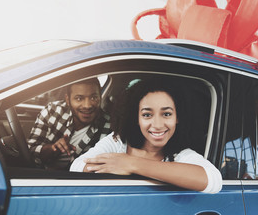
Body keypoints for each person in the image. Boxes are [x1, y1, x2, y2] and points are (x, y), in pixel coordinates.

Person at [70, 78, 222, 193]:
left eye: (166, 114)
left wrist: (132, 164)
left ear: (177, 118)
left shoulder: (181, 155)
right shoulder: (118, 142)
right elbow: (77, 167)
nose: (157, 124)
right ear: (136, 118)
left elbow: (213, 180)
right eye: (147, 115)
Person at [28, 78, 111, 169]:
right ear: (68, 100)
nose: (87, 105)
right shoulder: (52, 112)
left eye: (93, 98)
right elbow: (30, 151)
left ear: (100, 98)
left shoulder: (110, 127)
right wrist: (52, 149)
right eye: (79, 98)